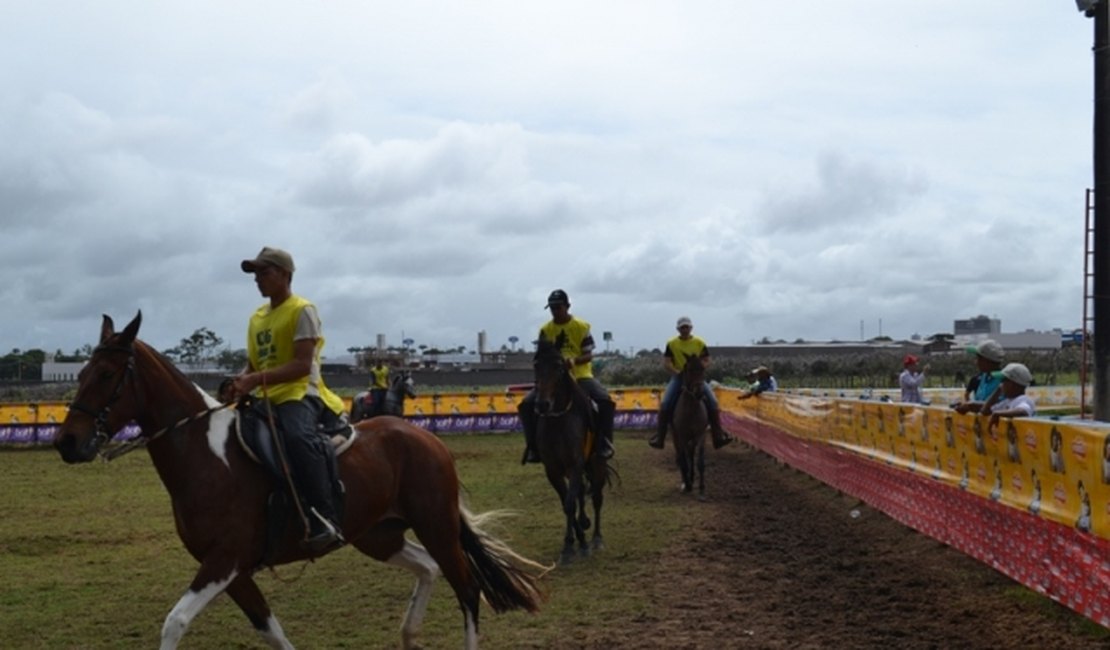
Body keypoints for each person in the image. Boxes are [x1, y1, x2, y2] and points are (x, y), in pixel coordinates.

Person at [229, 246, 347, 553]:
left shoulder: (302, 310)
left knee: (297, 438)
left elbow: (301, 365)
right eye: (255, 275)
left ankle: (325, 517)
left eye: (264, 273)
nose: (258, 280)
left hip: (299, 394)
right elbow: (256, 364)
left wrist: (254, 380)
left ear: (285, 275)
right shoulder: (256, 318)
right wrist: (241, 382)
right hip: (264, 397)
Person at [518, 289, 615, 463]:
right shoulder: (545, 330)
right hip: (552, 378)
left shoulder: (581, 326)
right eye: (552, 308)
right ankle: (533, 447)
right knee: (525, 404)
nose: (555, 311)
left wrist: (573, 361)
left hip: (580, 375)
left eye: (558, 307)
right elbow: (540, 356)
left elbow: (589, 354)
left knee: (604, 400)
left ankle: (604, 442)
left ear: (567, 306)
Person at [648, 316, 734, 450]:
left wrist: (700, 368)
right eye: (682, 327)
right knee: (665, 403)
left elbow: (706, 359)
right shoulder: (672, 343)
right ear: (678, 329)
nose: (685, 330)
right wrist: (676, 371)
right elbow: (667, 362)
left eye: (687, 327)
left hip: (696, 377)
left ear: (691, 328)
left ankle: (718, 436)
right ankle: (660, 437)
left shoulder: (699, 342)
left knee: (713, 401)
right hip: (679, 377)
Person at [961, 362, 1036, 430]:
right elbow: (985, 411)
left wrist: (998, 414)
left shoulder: (1023, 400)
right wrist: (998, 391)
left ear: (1012, 384)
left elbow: (1023, 411)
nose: (1001, 384)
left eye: (1003, 381)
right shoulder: (1007, 401)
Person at [953, 340, 1004, 414]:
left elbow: (1001, 405)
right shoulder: (983, 377)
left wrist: (970, 406)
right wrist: (966, 405)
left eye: (979, 359)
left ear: (988, 361)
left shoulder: (1004, 381)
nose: (976, 362)